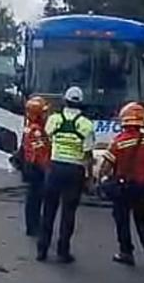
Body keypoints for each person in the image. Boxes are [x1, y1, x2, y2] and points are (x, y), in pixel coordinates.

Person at [37, 86, 95, 263]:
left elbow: (46, 139)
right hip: (75, 170)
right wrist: (89, 177)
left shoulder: (54, 119)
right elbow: (88, 154)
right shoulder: (86, 124)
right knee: (68, 213)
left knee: (48, 210)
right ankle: (63, 251)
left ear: (65, 100)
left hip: (55, 168)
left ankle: (42, 250)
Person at [99, 102, 144, 266]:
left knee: (122, 220)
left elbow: (106, 166)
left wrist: (101, 178)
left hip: (123, 186)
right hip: (141, 186)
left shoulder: (119, 142)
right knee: (143, 220)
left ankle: (126, 252)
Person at [20, 96, 51, 237]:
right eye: (43, 112)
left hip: (29, 166)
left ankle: (32, 226)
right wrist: (47, 169)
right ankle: (33, 227)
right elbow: (40, 153)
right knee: (35, 198)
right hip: (35, 167)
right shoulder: (36, 130)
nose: (46, 115)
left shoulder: (29, 126)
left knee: (33, 197)